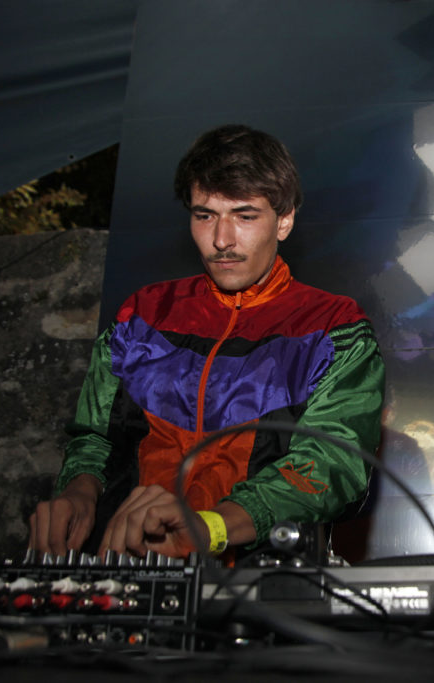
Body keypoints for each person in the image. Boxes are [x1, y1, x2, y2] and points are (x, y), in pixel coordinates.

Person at [29, 124, 385, 560]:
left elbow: (330, 465)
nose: (221, 240)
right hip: (124, 569)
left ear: (284, 220)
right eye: (205, 216)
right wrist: (79, 492)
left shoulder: (333, 328)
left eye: (244, 216)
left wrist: (211, 526)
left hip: (257, 582)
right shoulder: (140, 317)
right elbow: (94, 439)